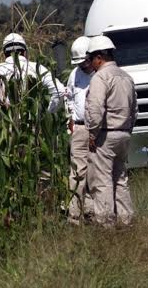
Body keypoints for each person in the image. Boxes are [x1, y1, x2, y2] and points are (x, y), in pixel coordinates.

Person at [85, 35, 137, 227]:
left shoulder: (100, 77)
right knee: (120, 178)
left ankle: (106, 223)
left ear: (99, 57)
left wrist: (92, 133)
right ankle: (126, 220)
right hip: (124, 133)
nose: (90, 63)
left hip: (106, 134)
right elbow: (134, 110)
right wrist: (128, 129)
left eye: (91, 59)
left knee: (103, 180)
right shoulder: (126, 77)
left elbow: (96, 109)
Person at [0, 32, 64, 113]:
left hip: (1, 121)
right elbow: (60, 91)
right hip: (30, 121)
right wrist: (48, 112)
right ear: (25, 52)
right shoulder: (37, 68)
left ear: (4, 53)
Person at [65, 36, 95, 225]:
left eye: (85, 61)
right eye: (80, 63)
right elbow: (68, 97)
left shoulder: (100, 74)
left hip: (97, 129)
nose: (83, 65)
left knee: (95, 172)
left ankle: (92, 212)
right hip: (79, 127)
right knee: (77, 172)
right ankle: (74, 215)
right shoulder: (74, 74)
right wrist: (70, 119)